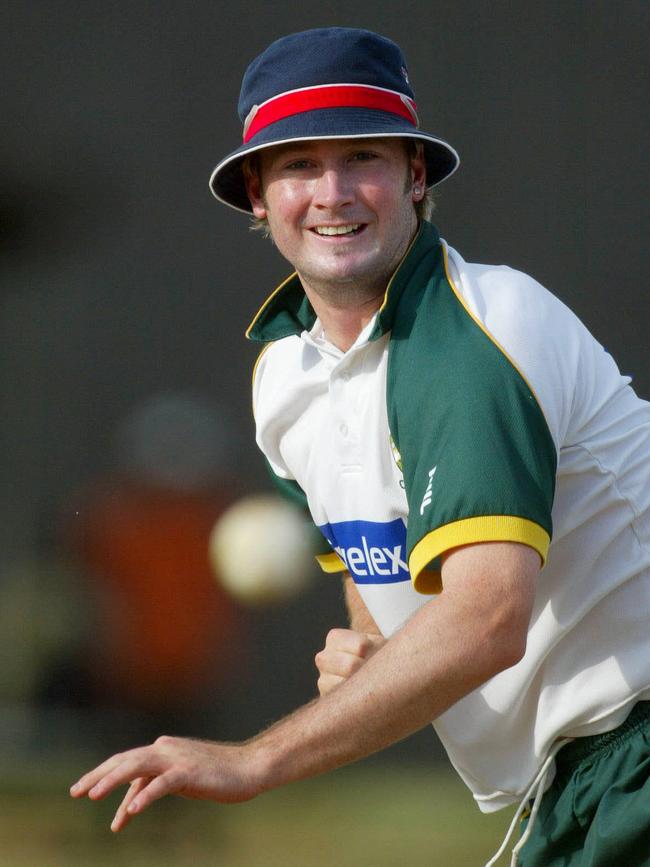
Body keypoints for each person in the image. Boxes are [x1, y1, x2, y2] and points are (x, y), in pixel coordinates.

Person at [71, 28, 650, 866]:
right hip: (583, 782)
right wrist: (373, 640)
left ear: (416, 179)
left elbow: (488, 616)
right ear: (257, 196)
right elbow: (371, 561)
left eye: (365, 158)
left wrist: (253, 759)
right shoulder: (285, 380)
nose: (333, 192)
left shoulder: (479, 332)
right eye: (299, 165)